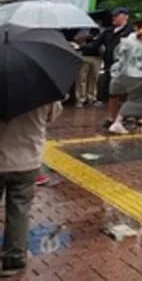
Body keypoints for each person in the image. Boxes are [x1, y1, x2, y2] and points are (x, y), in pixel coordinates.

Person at [0, 100, 60, 277]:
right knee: (19, 211)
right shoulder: (43, 91)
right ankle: (13, 260)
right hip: (27, 162)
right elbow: (53, 116)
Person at [99, 8, 132, 130]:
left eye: (116, 16)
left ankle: (126, 116)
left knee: (127, 94)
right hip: (111, 67)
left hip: (126, 68)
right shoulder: (108, 32)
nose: (114, 18)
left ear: (125, 17)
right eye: (113, 16)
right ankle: (111, 118)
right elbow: (96, 44)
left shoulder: (131, 32)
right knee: (112, 94)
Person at [73, 28, 103, 107]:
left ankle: (92, 98)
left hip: (97, 57)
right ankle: (81, 99)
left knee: (94, 78)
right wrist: (85, 38)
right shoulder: (83, 30)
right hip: (84, 56)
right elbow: (76, 40)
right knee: (81, 78)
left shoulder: (101, 31)